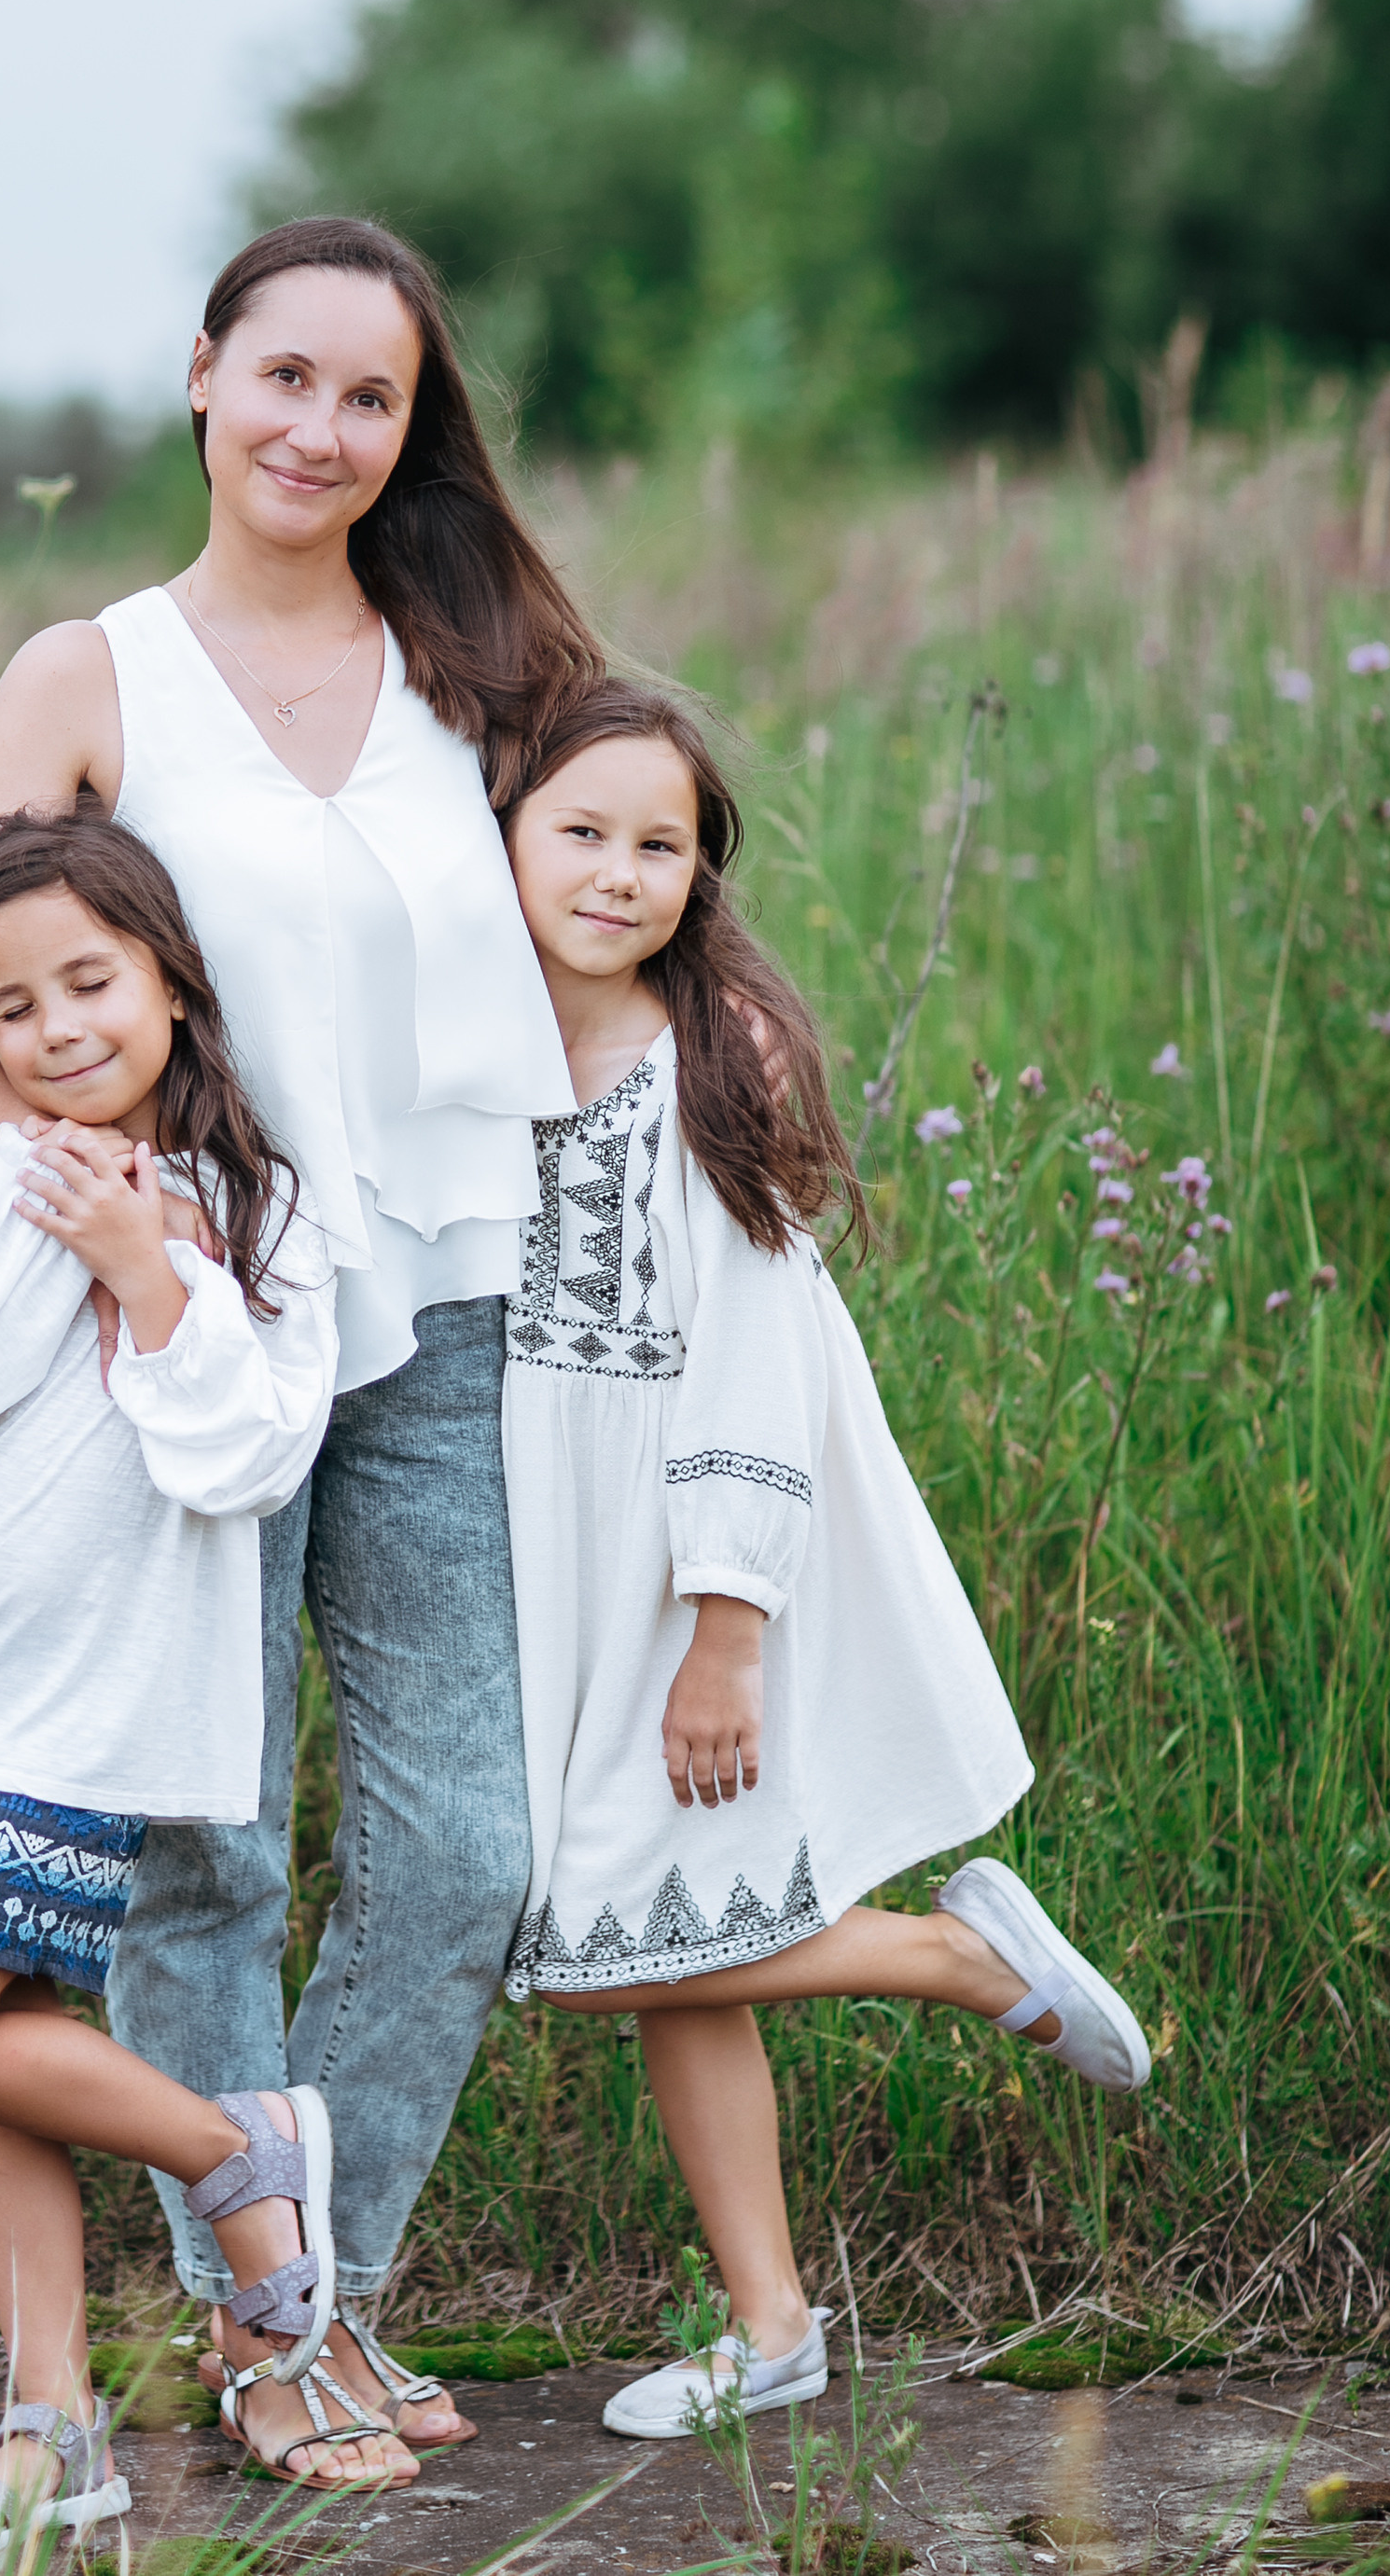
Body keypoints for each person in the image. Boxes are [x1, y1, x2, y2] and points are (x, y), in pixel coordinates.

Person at [0, 216, 601, 2480]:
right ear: (202, 380)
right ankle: (272, 2335)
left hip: (442, 1302)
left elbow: (623, 891)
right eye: (281, 377)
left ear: (410, 433)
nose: (319, 429)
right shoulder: (91, 669)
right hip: (188, 1316)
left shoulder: (467, 663)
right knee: (204, 1847)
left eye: (369, 397)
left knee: (466, 1847)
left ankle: (324, 2277)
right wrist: (88, 1224)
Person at [497, 678, 1152, 2438]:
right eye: (581, 831)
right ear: (500, 833)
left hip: (692, 1561)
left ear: (700, 875)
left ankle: (952, 1962)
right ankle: (772, 2324)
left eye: (663, 844)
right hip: (554, 1575)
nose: (619, 872)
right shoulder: (469, 1054)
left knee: (616, 1936)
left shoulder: (707, 1069)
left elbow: (755, 1366)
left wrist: (726, 1626)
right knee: (653, 1935)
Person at [0, 808, 396, 2543]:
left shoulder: (262, 1207)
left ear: (169, 982)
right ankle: (52, 2428)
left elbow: (243, 1460)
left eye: (94, 980)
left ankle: (234, 2158)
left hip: (89, 1702)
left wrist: (146, 1273)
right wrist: (34, 1230)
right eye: (15, 1005)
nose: (62, 1028)